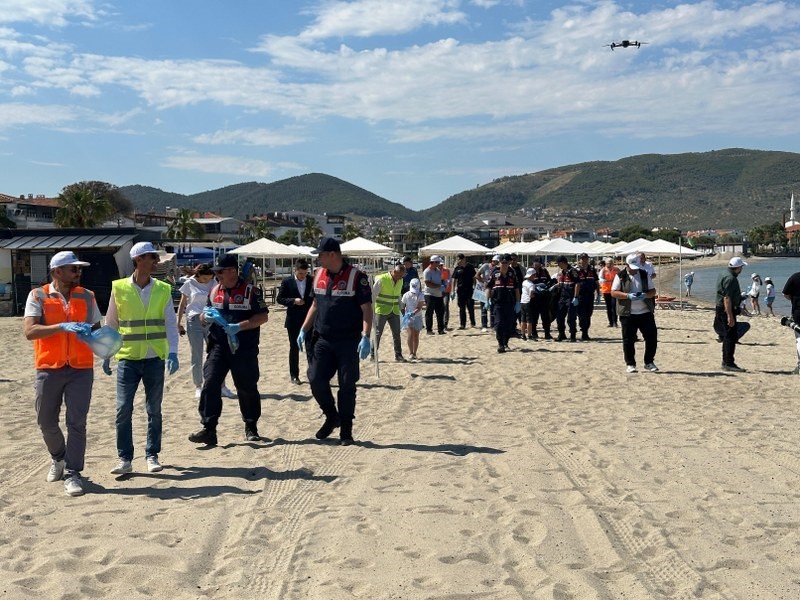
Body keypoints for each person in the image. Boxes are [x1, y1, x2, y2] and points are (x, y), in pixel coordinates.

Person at [23, 251, 101, 497]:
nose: (78, 273)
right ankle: (58, 457)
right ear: (57, 272)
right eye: (73, 269)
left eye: (79, 269)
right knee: (46, 422)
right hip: (49, 367)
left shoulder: (87, 296)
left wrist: (96, 339)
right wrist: (60, 327)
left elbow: (97, 330)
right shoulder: (37, 295)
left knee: (77, 423)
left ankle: (73, 473)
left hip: (81, 368)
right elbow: (30, 331)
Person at [104, 242, 180, 474]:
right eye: (151, 258)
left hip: (154, 357)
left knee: (153, 410)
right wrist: (107, 353)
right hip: (127, 358)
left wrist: (173, 352)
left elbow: (170, 323)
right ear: (138, 259)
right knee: (123, 409)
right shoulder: (119, 288)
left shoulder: (163, 289)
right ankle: (125, 458)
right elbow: (111, 322)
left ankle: (152, 454)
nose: (155, 262)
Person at [297, 237, 373, 445]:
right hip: (323, 339)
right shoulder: (319, 275)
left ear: (332, 254)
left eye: (320, 254)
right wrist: (304, 329)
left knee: (347, 385)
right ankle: (332, 416)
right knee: (315, 379)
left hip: (349, 341)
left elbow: (367, 309)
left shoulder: (357, 277)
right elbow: (315, 304)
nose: (317, 259)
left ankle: (346, 430)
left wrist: (366, 336)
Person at [188, 253, 270, 446]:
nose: (217, 276)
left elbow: (263, 317)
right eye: (217, 273)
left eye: (221, 272)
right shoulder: (214, 290)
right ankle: (209, 429)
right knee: (210, 383)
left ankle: (251, 426)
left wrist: (239, 326)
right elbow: (203, 317)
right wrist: (205, 317)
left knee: (246, 387)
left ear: (232, 272)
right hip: (218, 346)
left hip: (244, 348)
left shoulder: (251, 292)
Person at [176, 264, 236, 399]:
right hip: (194, 320)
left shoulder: (213, 282)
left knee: (217, 354)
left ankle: (222, 386)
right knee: (196, 354)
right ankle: (198, 385)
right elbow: (182, 304)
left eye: (209, 278)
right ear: (198, 275)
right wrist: (178, 322)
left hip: (211, 320)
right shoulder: (189, 283)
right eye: (204, 278)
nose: (207, 281)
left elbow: (220, 299)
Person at [610, 254, 658, 373]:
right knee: (628, 340)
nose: (635, 269)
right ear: (626, 265)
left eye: (636, 266)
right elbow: (613, 292)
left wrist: (645, 295)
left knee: (651, 337)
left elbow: (653, 291)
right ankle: (630, 364)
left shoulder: (644, 274)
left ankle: (649, 362)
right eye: (632, 267)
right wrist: (627, 296)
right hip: (628, 313)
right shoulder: (620, 276)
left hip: (645, 311)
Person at [277, 259, 314, 384]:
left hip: (309, 318)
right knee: (294, 348)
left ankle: (313, 374)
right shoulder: (287, 281)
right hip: (293, 319)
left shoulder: (312, 280)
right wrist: (293, 301)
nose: (303, 276)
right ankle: (294, 375)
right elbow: (280, 299)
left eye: (305, 273)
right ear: (295, 270)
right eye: (300, 274)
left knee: (311, 346)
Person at [714, 256, 748, 372]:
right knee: (730, 336)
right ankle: (728, 362)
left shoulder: (723, 274)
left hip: (721, 307)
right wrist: (730, 315)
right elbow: (727, 298)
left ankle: (726, 361)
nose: (742, 269)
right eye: (741, 267)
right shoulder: (731, 279)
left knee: (728, 336)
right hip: (726, 309)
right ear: (737, 268)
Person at [372, 262, 407, 362]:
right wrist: (371, 311)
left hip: (394, 311)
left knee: (397, 334)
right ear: (395, 272)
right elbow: (373, 295)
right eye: (400, 276)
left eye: (402, 276)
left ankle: (398, 355)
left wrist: (402, 309)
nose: (400, 278)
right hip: (381, 310)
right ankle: (373, 355)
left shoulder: (400, 280)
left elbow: (398, 296)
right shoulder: (382, 279)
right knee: (378, 333)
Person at [485, 254, 520, 353]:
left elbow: (516, 288)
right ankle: (500, 344)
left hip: (510, 303)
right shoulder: (494, 273)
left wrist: (518, 302)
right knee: (499, 323)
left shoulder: (512, 273)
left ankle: (506, 342)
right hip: (498, 303)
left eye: (506, 263)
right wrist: (487, 300)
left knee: (508, 324)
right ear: (499, 263)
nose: (504, 265)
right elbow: (488, 287)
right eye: (503, 263)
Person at [554, 255, 580, 342]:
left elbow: (577, 284)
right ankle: (561, 334)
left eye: (559, 264)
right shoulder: (562, 272)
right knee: (559, 316)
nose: (558, 266)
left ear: (562, 263)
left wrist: (576, 296)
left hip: (571, 297)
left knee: (571, 318)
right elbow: (561, 284)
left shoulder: (572, 271)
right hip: (562, 297)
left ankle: (573, 335)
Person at [576, 252, 599, 340]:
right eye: (583, 259)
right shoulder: (576, 270)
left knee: (589, 313)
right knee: (581, 315)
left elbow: (596, 282)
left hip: (590, 295)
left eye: (586, 259)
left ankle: (586, 331)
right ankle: (583, 331)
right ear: (580, 260)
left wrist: (598, 293)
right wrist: (575, 296)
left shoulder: (592, 269)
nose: (584, 260)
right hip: (580, 295)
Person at [529, 257, 553, 340]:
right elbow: (527, 282)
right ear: (533, 263)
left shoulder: (544, 271)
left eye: (538, 263)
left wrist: (546, 285)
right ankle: (534, 333)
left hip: (544, 297)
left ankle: (547, 333)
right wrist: (535, 287)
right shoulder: (530, 271)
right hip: (534, 297)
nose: (537, 264)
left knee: (545, 317)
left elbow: (549, 281)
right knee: (534, 317)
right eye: (535, 263)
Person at [401, 278, 425, 359]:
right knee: (410, 334)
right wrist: (404, 314)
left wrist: (413, 313)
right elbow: (402, 305)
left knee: (416, 335)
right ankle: (410, 352)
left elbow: (419, 307)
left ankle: (415, 353)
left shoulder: (421, 295)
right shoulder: (406, 295)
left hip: (417, 316)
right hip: (408, 317)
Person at [451, 253, 476, 329]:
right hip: (460, 290)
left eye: (460, 259)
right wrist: (453, 290)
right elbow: (454, 279)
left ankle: (472, 322)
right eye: (458, 260)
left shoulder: (470, 267)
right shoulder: (457, 268)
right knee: (462, 308)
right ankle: (462, 324)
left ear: (464, 259)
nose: (459, 261)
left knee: (470, 307)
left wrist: (475, 286)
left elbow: (474, 277)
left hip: (469, 289)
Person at [782, 270, 800, 374]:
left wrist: (793, 300)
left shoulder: (795, 277)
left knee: (799, 339)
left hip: (798, 311)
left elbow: (785, 293)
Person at [423, 255, 446, 335]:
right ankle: (429, 330)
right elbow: (428, 283)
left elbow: (440, 280)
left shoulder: (438, 271)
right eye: (438, 262)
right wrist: (439, 286)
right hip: (429, 294)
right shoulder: (427, 271)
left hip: (438, 294)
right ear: (434, 262)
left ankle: (441, 330)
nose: (439, 264)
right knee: (429, 312)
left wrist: (443, 284)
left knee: (440, 312)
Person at [476, 255, 498, 332]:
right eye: (496, 262)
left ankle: (492, 325)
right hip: (483, 289)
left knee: (492, 308)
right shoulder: (485, 266)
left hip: (492, 290)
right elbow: (477, 275)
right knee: (484, 308)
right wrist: (484, 282)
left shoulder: (497, 269)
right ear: (493, 261)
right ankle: (484, 325)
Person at [599, 257, 620, 327]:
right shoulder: (603, 270)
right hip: (606, 290)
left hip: (615, 290)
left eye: (611, 263)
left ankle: (615, 322)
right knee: (608, 307)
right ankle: (610, 322)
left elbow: (621, 277)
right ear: (606, 263)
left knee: (614, 306)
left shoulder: (617, 269)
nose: (610, 264)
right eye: (608, 263)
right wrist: (605, 280)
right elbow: (600, 278)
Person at [520, 267, 536, 340]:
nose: (535, 276)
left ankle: (523, 334)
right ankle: (529, 335)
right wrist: (534, 295)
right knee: (529, 320)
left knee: (523, 320)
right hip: (528, 302)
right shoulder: (531, 284)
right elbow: (531, 294)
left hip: (522, 302)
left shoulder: (524, 282)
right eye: (534, 275)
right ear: (531, 275)